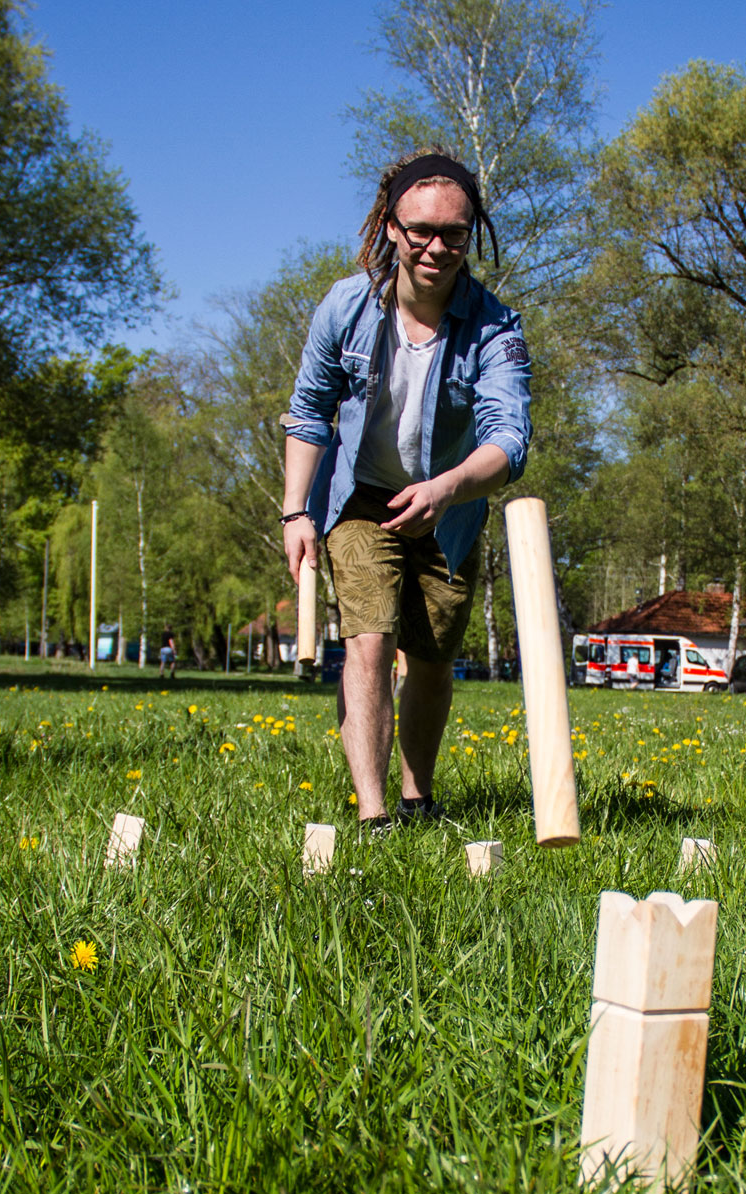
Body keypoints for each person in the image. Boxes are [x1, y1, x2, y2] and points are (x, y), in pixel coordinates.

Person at [281, 149, 531, 829]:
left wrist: (447, 489)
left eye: (453, 232)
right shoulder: (346, 307)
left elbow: (510, 442)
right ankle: (373, 811)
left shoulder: (495, 328)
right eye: (420, 229)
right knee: (368, 638)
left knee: (431, 656)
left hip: (448, 511)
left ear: (469, 235)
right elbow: (309, 412)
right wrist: (295, 512)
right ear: (391, 226)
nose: (435, 246)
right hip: (359, 498)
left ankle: (418, 796)